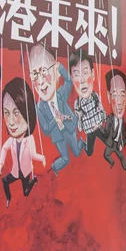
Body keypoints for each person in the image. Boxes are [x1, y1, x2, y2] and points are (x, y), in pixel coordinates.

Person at [28, 44, 85, 176]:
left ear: (54, 72)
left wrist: (62, 69)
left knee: (76, 151)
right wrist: (56, 119)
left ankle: (81, 143)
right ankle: (54, 168)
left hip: (69, 128)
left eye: (44, 73)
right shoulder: (40, 107)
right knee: (65, 159)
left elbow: (69, 82)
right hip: (58, 136)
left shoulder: (60, 94)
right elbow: (46, 129)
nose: (40, 82)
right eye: (35, 76)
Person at [0, 78, 45, 208]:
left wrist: (42, 158)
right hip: (15, 171)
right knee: (4, 181)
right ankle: (9, 198)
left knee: (25, 193)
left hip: (26, 172)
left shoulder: (29, 139)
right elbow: (4, 148)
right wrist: (1, 163)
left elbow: (34, 154)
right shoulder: (11, 140)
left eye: (16, 113)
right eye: (7, 113)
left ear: (28, 113)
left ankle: (33, 180)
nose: (11, 122)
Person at [69, 49, 107, 157]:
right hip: (89, 132)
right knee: (89, 152)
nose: (82, 80)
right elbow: (80, 127)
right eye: (76, 75)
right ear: (72, 79)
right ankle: (82, 143)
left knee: (108, 142)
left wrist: (100, 121)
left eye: (85, 73)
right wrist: (80, 117)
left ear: (93, 74)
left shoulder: (95, 96)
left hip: (98, 128)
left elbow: (103, 115)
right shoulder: (78, 104)